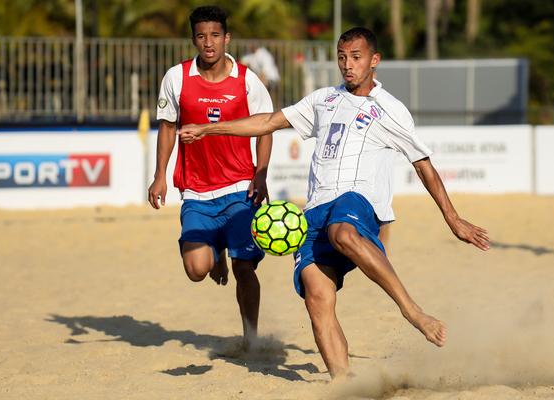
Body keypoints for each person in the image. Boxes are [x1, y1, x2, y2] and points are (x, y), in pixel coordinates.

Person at [179, 27, 490, 378]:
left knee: (343, 232)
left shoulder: (390, 109)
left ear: (375, 61)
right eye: (342, 57)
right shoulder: (323, 99)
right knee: (317, 298)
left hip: (356, 202)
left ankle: (412, 311)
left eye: (356, 57)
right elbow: (268, 121)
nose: (347, 64)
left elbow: (424, 165)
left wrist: (453, 218)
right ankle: (343, 381)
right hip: (313, 213)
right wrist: (208, 129)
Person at [147, 6, 274, 345]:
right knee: (196, 270)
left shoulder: (247, 80)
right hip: (197, 192)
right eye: (201, 36)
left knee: (244, 267)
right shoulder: (177, 77)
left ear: (226, 38)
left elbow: (265, 128)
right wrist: (159, 175)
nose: (209, 42)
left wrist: (260, 175)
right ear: (194, 39)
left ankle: (251, 338)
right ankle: (214, 249)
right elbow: (167, 127)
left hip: (239, 189)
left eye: (215, 35)